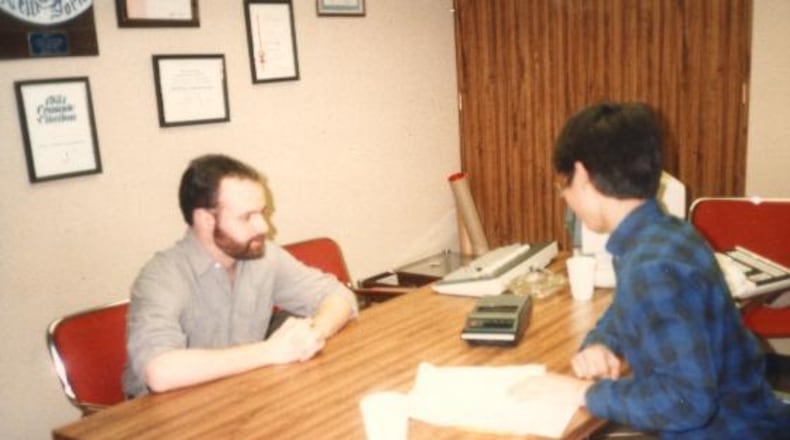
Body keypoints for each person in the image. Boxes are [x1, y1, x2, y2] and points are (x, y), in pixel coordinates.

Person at [510, 102, 789, 438]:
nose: (565, 198)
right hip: (749, 417)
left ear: (582, 176)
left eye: (563, 185)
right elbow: (626, 305)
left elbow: (686, 403)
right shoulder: (664, 233)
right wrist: (602, 342)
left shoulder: (651, 265)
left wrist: (582, 393)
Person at [123, 154, 358, 397]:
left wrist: (312, 334)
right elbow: (159, 372)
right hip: (169, 411)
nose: (264, 227)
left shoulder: (262, 257)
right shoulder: (161, 276)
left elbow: (337, 295)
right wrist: (270, 351)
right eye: (247, 217)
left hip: (242, 395)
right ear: (206, 220)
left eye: (262, 213)